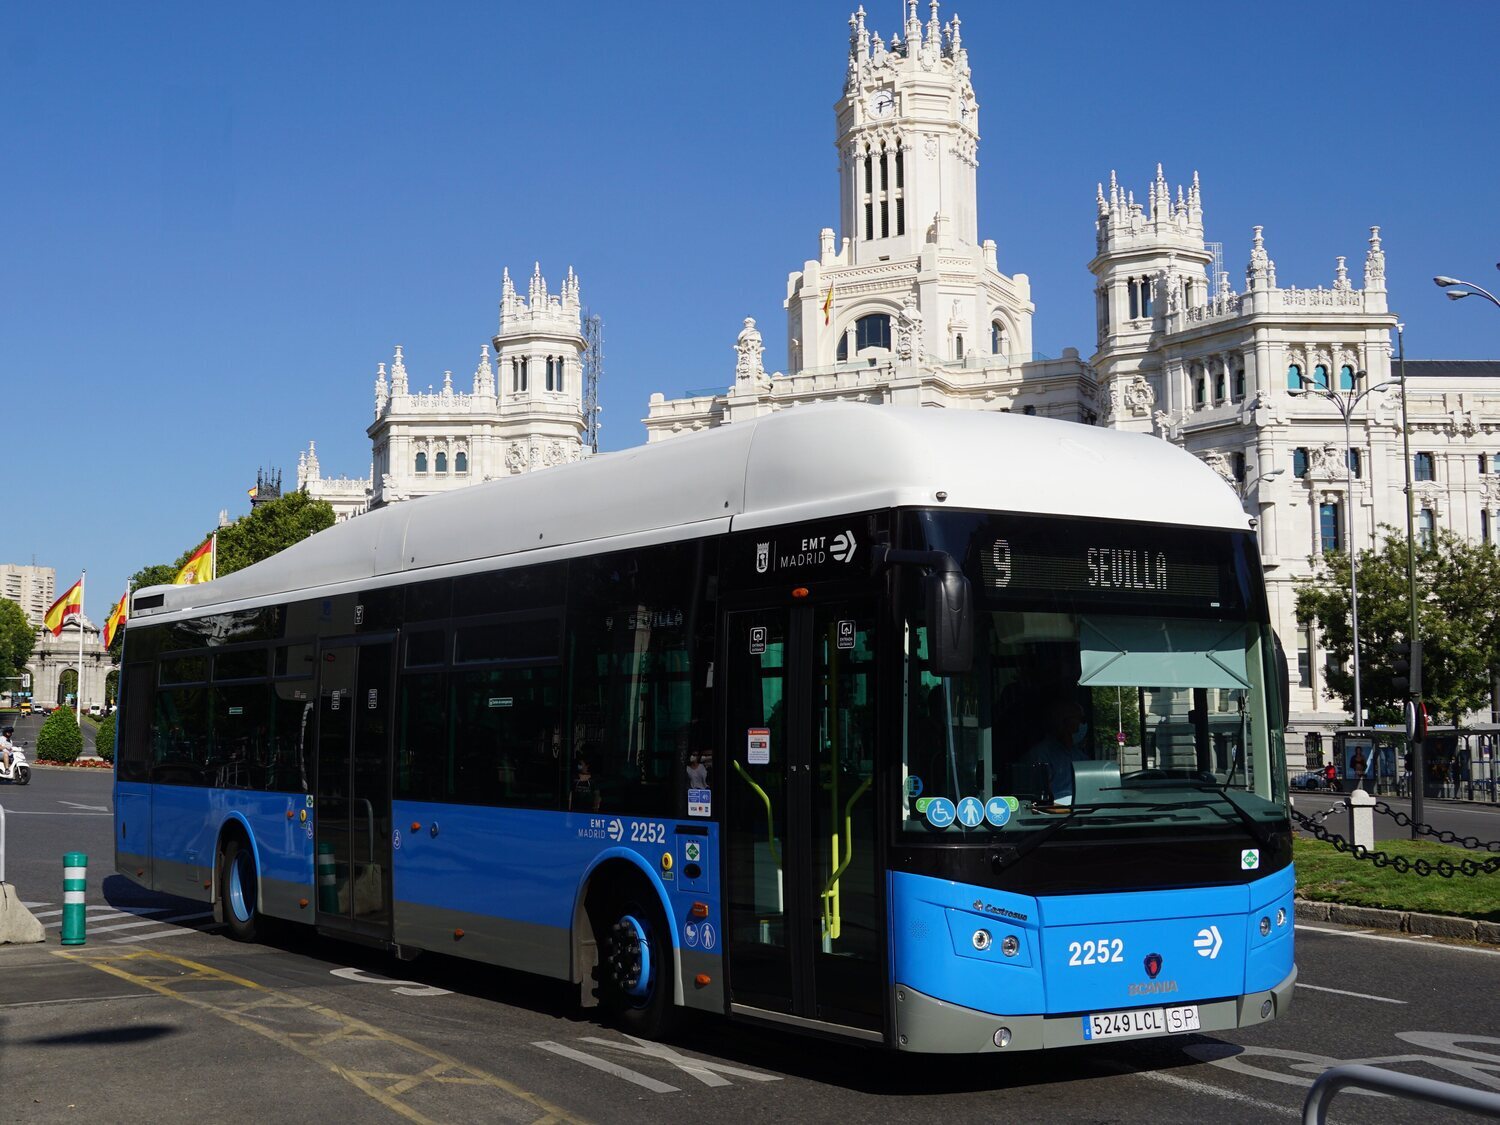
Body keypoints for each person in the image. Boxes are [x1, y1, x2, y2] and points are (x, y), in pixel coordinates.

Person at [1020, 690, 1089, 803]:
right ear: (1062, 722)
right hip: (1053, 816)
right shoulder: (1040, 756)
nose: (1082, 725)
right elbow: (1039, 797)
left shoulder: (1079, 755)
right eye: (1079, 719)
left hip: (1082, 813)